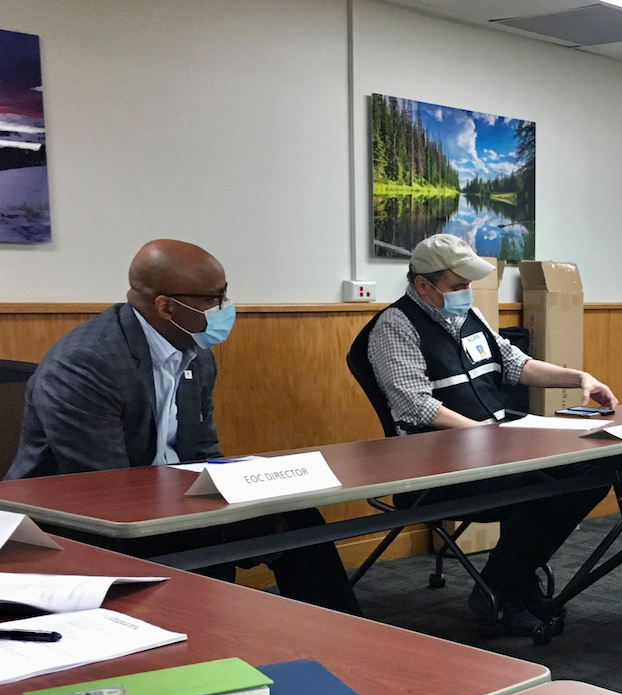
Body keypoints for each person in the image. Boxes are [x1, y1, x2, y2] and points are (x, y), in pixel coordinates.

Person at [6, 239, 361, 615]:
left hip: (167, 501)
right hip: (77, 522)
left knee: (295, 520)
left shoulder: (196, 356)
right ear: (165, 306)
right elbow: (105, 489)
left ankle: (352, 646)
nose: (225, 309)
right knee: (219, 532)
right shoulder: (85, 364)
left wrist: (245, 489)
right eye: (214, 299)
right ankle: (204, 635)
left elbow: (204, 452)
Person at [366, 234, 617, 635]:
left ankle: (505, 579)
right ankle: (507, 584)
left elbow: (515, 364)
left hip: (494, 450)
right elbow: (415, 406)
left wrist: (580, 377)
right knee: (545, 487)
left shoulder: (468, 316)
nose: (466, 293)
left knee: (590, 474)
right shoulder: (394, 328)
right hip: (440, 465)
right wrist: (488, 436)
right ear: (423, 285)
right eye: (457, 286)